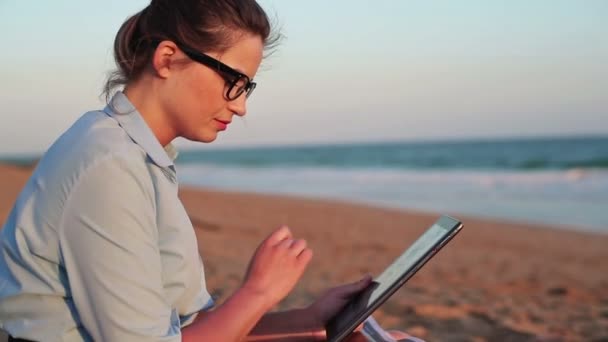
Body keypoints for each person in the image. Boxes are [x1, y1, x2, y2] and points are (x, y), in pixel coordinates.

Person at [0, 0, 414, 341]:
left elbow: (193, 330)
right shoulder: (108, 165)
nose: (240, 105)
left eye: (247, 87)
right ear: (168, 58)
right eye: (234, 81)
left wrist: (311, 320)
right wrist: (259, 290)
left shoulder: (140, 158)